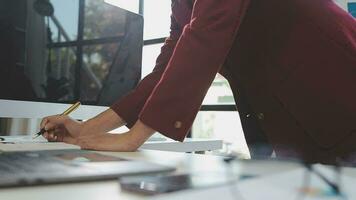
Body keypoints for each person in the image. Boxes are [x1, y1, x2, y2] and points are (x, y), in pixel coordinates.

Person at [41, 0, 356, 164]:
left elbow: (206, 34)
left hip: (335, 88)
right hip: (289, 111)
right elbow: (164, 70)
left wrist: (133, 137)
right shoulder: (181, 4)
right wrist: (87, 128)